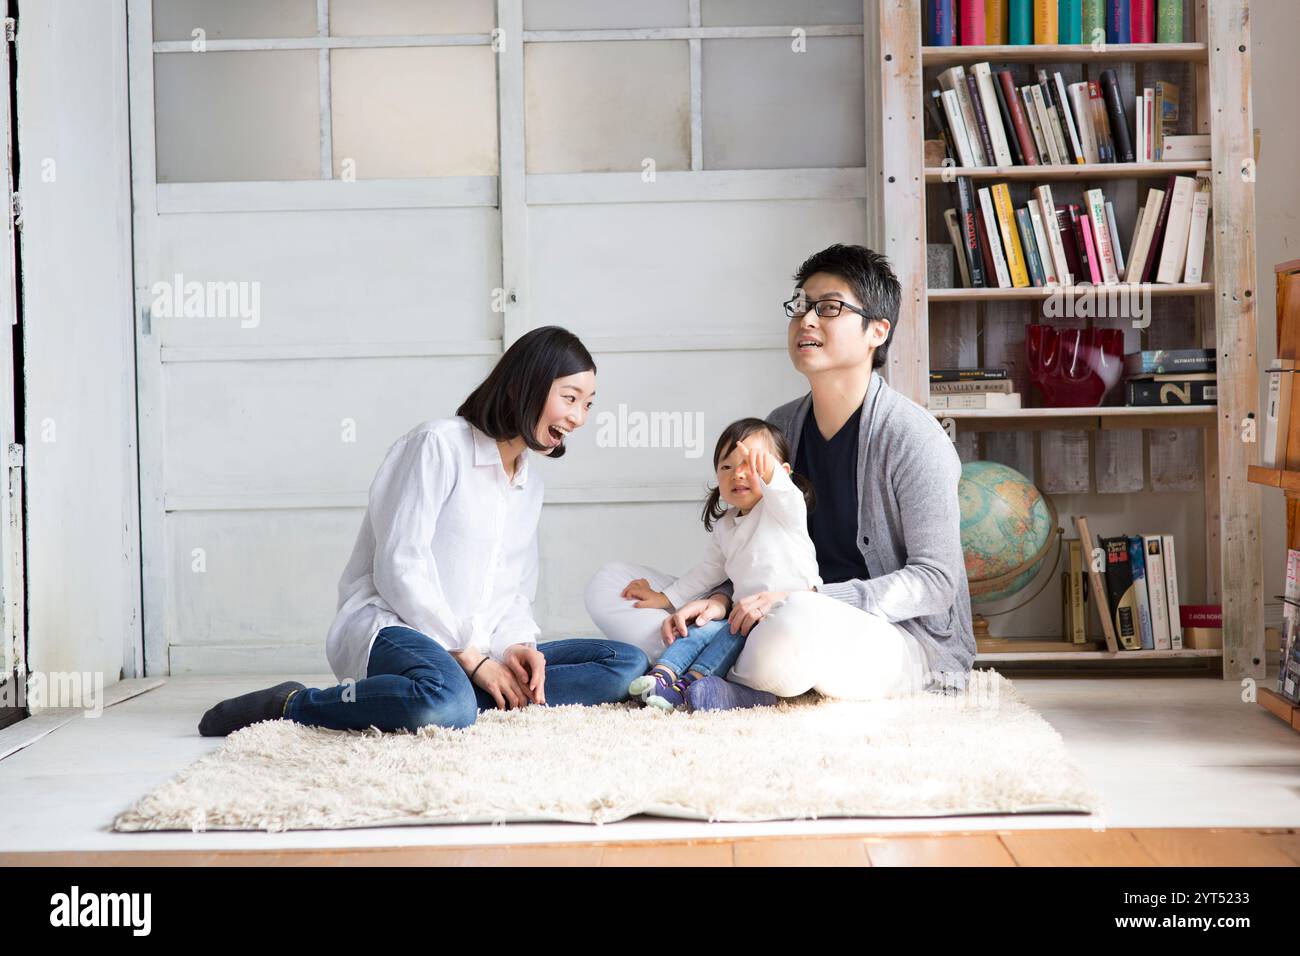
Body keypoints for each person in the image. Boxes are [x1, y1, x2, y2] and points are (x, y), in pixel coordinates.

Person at [199, 326, 648, 736]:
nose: (579, 417)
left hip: (481, 643)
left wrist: (513, 647)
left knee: (625, 664)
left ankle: (466, 697)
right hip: (395, 625)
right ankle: (293, 703)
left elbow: (514, 591)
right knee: (447, 704)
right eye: (570, 398)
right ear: (521, 386)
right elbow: (400, 566)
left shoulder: (529, 483)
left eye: (588, 404)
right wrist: (471, 660)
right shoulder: (438, 445)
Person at [585, 244, 976, 710]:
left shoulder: (914, 439)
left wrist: (804, 598)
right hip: (772, 619)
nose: (806, 320)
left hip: (891, 638)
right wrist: (721, 600)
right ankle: (730, 677)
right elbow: (756, 555)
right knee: (612, 584)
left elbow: (935, 581)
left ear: (877, 330)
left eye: (828, 307)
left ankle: (703, 665)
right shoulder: (780, 427)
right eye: (800, 306)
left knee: (796, 623)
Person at [621, 418, 819, 711]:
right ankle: (661, 676)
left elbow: (785, 494)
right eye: (726, 467)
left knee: (729, 638)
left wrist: (772, 476)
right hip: (740, 618)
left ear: (781, 473)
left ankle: (687, 684)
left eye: (750, 463)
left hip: (785, 617)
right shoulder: (725, 526)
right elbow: (706, 573)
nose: (738, 473)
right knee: (701, 630)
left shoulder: (782, 511)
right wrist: (665, 598)